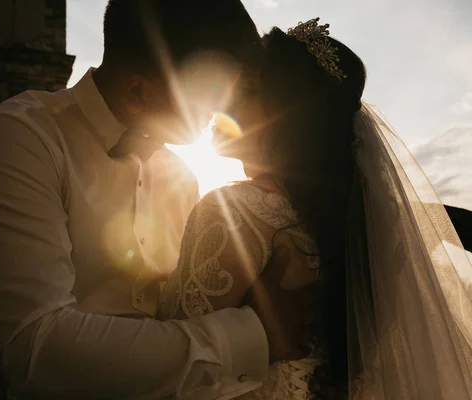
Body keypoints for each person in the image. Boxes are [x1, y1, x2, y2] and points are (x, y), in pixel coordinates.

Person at [0, 1, 318, 399]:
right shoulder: (22, 139)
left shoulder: (183, 180)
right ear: (139, 89)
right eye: (210, 94)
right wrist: (252, 337)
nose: (221, 112)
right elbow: (38, 349)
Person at [159, 18, 472, 399]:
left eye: (244, 89)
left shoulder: (234, 212)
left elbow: (170, 372)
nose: (221, 100)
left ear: (286, 114)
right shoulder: (368, 227)